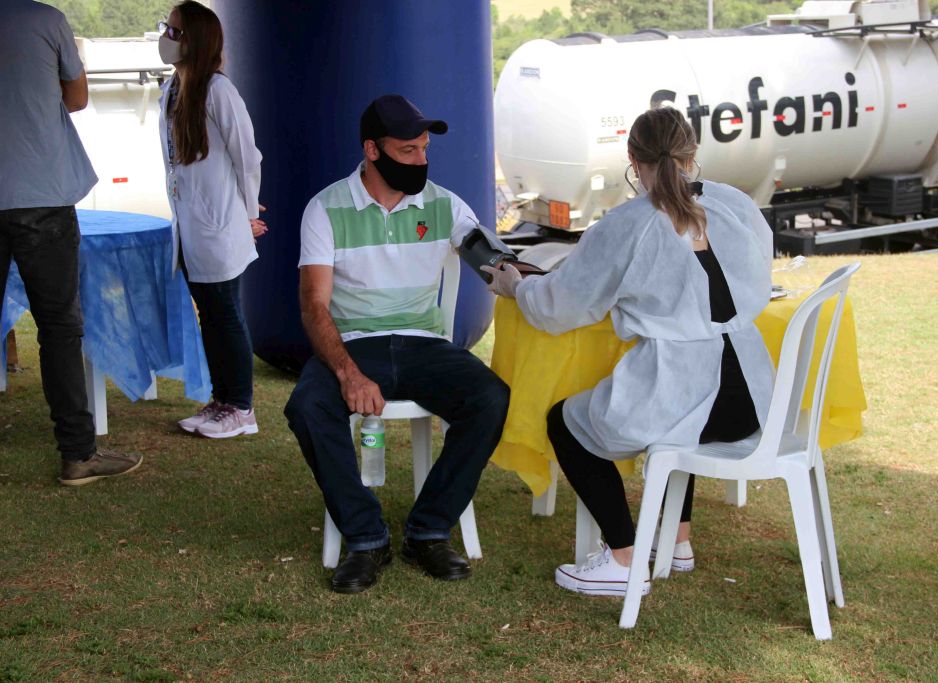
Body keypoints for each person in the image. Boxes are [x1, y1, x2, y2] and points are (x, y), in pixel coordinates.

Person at [484, 107, 776, 596]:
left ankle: (623, 559)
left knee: (568, 423)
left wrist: (516, 287)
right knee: (673, 422)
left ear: (632, 160)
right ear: (692, 154)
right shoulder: (737, 205)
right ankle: (676, 542)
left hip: (687, 392)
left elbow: (559, 308)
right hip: (751, 396)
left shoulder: (627, 225)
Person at [285, 94, 510, 594]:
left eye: (425, 149)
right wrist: (347, 372)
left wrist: (524, 277)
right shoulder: (325, 208)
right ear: (372, 149)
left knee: (490, 397)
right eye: (408, 150)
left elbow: (492, 261)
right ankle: (366, 538)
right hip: (355, 345)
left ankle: (429, 529)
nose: (421, 160)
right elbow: (313, 306)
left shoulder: (445, 204)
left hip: (423, 343)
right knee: (307, 405)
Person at [0, 1, 143, 485]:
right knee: (59, 328)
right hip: (40, 193)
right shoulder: (44, 20)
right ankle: (78, 454)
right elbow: (78, 97)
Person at [158, 1, 267, 439]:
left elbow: (248, 158)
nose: (166, 36)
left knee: (226, 314)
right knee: (211, 314)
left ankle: (241, 407)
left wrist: (246, 213)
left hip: (219, 226)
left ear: (195, 40)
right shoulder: (173, 89)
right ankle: (222, 401)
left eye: (174, 30)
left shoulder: (219, 91)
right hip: (192, 230)